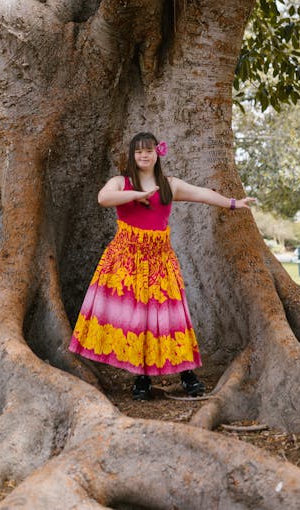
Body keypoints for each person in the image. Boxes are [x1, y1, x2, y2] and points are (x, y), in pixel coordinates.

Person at [69, 132, 256, 401]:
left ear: (157, 153)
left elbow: (202, 194)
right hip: (127, 259)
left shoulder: (169, 185)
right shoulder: (120, 182)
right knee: (136, 320)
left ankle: (187, 373)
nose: (143, 156)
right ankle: (141, 378)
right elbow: (103, 198)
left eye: (148, 151)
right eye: (138, 152)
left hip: (159, 259)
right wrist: (136, 194)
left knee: (171, 316)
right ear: (132, 155)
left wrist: (234, 203)